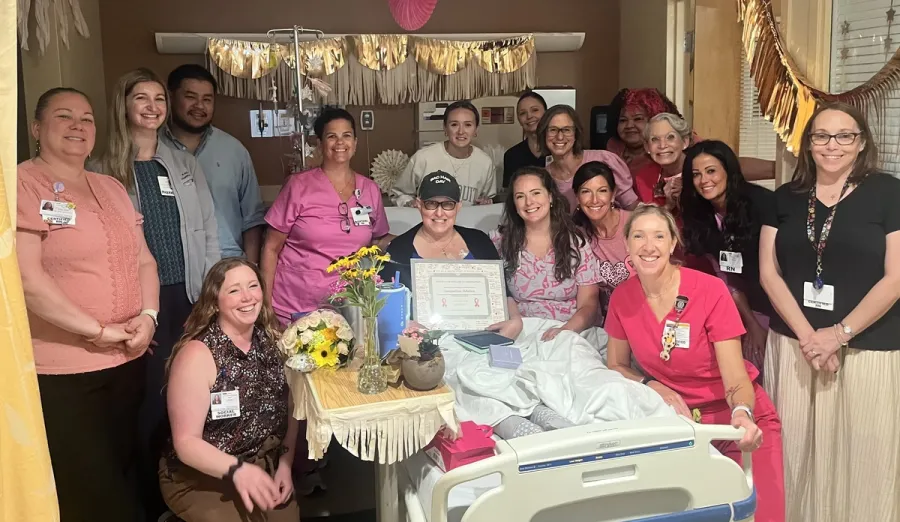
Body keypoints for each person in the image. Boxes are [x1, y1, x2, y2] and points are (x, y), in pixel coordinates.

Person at [17, 87, 160, 521]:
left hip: (127, 358)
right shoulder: (21, 183)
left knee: (126, 472)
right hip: (65, 369)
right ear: (37, 128)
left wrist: (149, 317)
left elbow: (143, 259)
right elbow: (27, 281)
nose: (79, 126)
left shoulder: (109, 185)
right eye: (65, 117)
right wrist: (96, 331)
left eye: (87, 118)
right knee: (89, 489)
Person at [759, 102, 900, 521]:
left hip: (868, 348)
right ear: (808, 144)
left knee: (864, 461)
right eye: (821, 135)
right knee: (796, 458)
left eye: (844, 136)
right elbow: (769, 273)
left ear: (861, 144)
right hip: (795, 348)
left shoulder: (889, 193)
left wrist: (837, 334)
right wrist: (810, 337)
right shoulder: (783, 198)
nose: (832, 145)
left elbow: (896, 278)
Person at [605, 204, 784, 522]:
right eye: (639, 236)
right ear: (627, 244)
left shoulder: (708, 290)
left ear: (673, 243)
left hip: (738, 419)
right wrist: (653, 385)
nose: (649, 246)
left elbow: (736, 377)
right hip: (684, 425)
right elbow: (616, 365)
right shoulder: (622, 298)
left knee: (763, 515)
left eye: (659, 236)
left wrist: (742, 413)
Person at [101, 66, 221, 519]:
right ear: (124, 106)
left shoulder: (181, 163)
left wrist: (211, 291)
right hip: (137, 302)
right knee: (148, 397)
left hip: (186, 294)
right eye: (141, 99)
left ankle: (186, 486)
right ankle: (148, 498)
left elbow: (207, 228)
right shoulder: (102, 166)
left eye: (158, 100)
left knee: (189, 392)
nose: (152, 108)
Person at [159, 258, 299, 522]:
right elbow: (186, 442)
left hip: (261, 464)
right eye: (234, 290)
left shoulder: (273, 340)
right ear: (215, 302)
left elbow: (292, 407)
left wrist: (285, 465)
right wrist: (238, 470)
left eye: (253, 286)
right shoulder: (198, 355)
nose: (247, 297)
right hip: (201, 474)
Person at [261, 107, 391, 323]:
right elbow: (271, 247)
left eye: (346, 135)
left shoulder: (369, 190)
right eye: (332, 136)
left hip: (349, 306)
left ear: (355, 143)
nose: (340, 142)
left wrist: (422, 238)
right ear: (320, 144)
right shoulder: (299, 186)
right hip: (295, 306)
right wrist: (265, 307)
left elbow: (378, 240)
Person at [681, 140, 774, 376]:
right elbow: (725, 277)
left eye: (711, 171)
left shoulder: (762, 205)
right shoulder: (700, 213)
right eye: (696, 174)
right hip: (741, 308)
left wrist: (758, 325)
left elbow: (777, 270)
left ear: (728, 171)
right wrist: (750, 322)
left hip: (777, 307)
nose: (704, 181)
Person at [161, 64, 267, 262]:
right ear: (170, 97)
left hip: (227, 264)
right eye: (191, 97)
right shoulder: (152, 150)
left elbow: (252, 219)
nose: (199, 106)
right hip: (173, 267)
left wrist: (251, 269)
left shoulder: (234, 151)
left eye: (207, 100)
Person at [488, 166, 602, 342]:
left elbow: (589, 304)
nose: (529, 202)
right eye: (520, 196)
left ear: (550, 197)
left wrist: (565, 330)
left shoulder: (576, 243)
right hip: (521, 332)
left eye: (536, 193)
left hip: (569, 331)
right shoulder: (499, 242)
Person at [384, 171, 500, 287]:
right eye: (431, 204)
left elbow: (500, 290)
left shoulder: (480, 241)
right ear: (419, 205)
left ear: (458, 207)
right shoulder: (397, 250)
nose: (439, 213)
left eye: (448, 204)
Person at [392, 100, 497, 206]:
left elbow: (489, 200)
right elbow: (398, 195)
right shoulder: (423, 158)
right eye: (454, 124)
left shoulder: (485, 163)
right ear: (445, 128)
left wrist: (486, 203)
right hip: (429, 221)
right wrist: (409, 203)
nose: (461, 131)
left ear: (476, 130)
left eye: (468, 125)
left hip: (469, 222)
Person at [538, 104, 637, 212]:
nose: (560, 137)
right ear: (544, 134)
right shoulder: (543, 178)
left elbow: (632, 207)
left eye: (567, 130)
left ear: (576, 134)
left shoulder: (604, 160)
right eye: (553, 130)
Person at [572, 161, 635, 324]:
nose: (594, 200)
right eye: (586, 192)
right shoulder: (577, 236)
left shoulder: (636, 224)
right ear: (577, 197)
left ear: (613, 194)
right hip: (606, 324)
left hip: (642, 316)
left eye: (602, 191)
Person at [502, 91, 548, 188]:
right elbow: (509, 195)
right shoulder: (511, 156)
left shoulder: (558, 149)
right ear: (519, 119)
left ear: (546, 113)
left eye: (535, 110)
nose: (529, 116)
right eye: (523, 113)